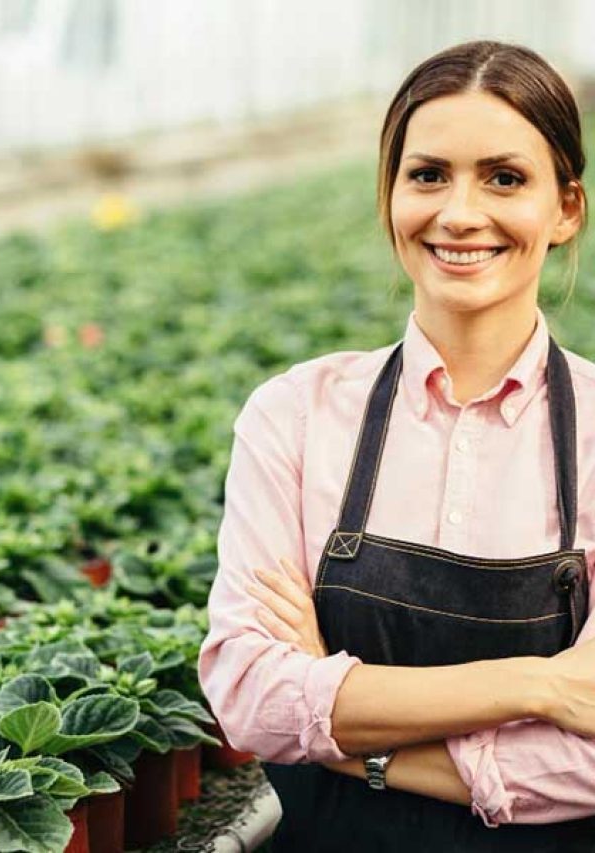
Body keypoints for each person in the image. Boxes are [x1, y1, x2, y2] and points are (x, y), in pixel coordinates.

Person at [197, 39, 595, 851]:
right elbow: (249, 695)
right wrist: (543, 684)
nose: (458, 211)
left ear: (566, 210)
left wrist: (353, 735)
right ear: (389, 197)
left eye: (504, 177)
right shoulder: (295, 417)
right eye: (428, 174)